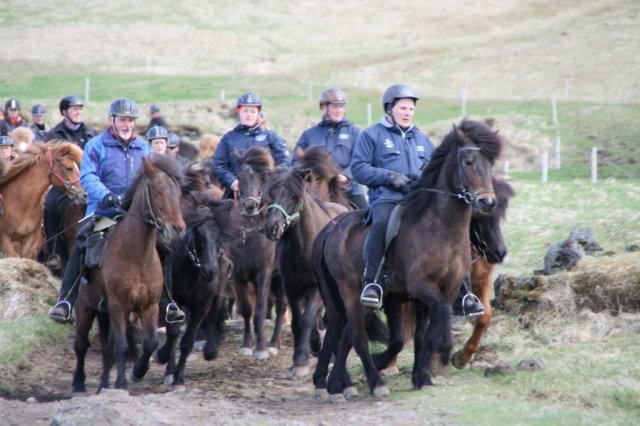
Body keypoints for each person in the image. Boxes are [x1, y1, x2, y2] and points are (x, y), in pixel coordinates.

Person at [49, 97, 185, 324]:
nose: (127, 124)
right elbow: (88, 177)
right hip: (105, 211)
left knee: (165, 245)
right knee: (84, 238)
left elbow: (152, 180)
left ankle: (167, 302)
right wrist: (106, 194)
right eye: (123, 119)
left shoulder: (143, 147)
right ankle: (66, 300)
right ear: (111, 120)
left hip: (137, 214)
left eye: (131, 120)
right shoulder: (96, 146)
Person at [351, 84, 435, 308]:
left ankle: (462, 290)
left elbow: (435, 172)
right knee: (382, 222)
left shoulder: (423, 141)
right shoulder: (372, 135)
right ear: (390, 109)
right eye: (403, 108)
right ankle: (372, 282)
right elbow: (358, 168)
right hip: (386, 198)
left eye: (411, 109)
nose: (408, 113)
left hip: (418, 200)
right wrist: (388, 176)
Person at [43, 96, 98, 273]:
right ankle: (54, 253)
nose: (78, 111)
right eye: (74, 108)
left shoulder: (90, 133)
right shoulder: (53, 135)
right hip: (64, 185)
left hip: (88, 181)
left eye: (80, 108)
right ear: (64, 112)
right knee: (50, 206)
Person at [292, 87, 367, 209]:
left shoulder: (354, 133)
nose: (338, 110)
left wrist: (346, 176)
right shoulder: (309, 134)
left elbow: (360, 160)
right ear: (324, 107)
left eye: (341, 106)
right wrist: (307, 177)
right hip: (315, 190)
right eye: (334, 107)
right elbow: (296, 160)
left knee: (368, 219)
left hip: (348, 189)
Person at [213, 92, 290, 195]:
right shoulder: (228, 138)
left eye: (252, 111)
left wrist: (270, 180)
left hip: (266, 193)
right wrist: (231, 181)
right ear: (238, 112)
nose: (248, 114)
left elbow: (285, 162)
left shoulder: (270, 136)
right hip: (236, 192)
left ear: (258, 113)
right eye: (245, 111)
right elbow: (219, 165)